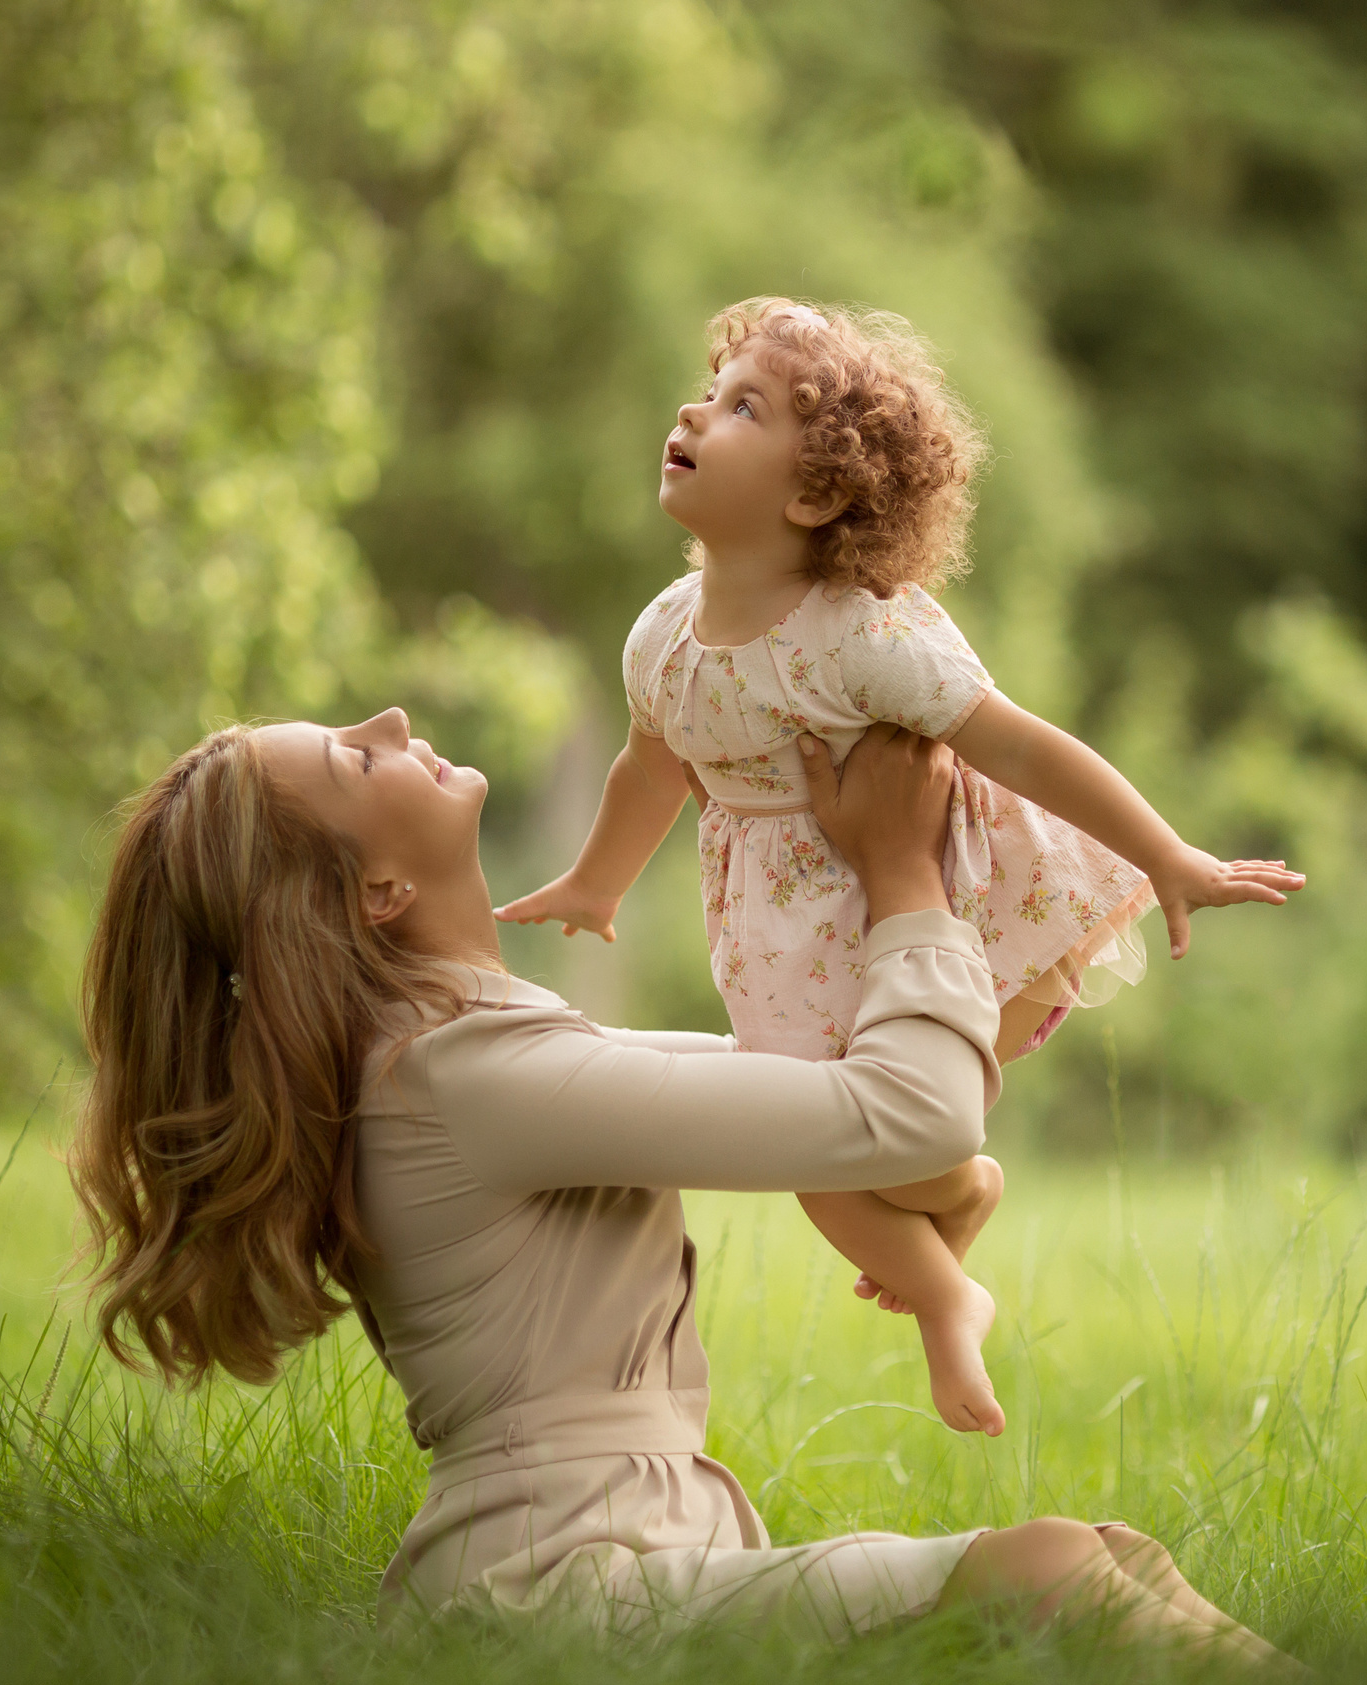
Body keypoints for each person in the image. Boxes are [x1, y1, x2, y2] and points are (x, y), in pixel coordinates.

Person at [70, 706, 1297, 1667]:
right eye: (356, 757)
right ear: (377, 892)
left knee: (1113, 1559)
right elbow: (905, 1112)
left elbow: (825, 1099)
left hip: (600, 1567)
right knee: (1049, 1574)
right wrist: (900, 876)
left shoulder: (468, 1057)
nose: (391, 721)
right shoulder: (456, 1079)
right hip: (549, 1595)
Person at [496, 297, 1306, 1434]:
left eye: (743, 408)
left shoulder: (863, 634)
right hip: (785, 931)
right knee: (818, 1143)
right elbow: (651, 767)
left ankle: (943, 1291)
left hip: (935, 900)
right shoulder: (662, 639)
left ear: (813, 496)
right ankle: (956, 1232)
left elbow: (1020, 746)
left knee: (826, 1149)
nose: (694, 409)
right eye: (712, 391)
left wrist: (1165, 854)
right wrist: (598, 881)